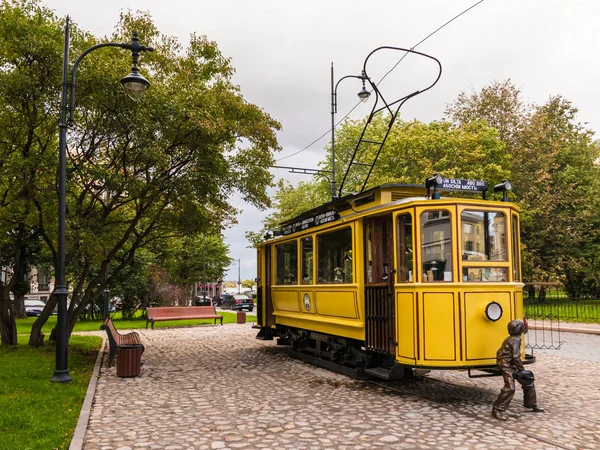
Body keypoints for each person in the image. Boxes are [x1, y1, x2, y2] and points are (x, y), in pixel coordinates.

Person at [492, 319, 544, 421]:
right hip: (506, 365)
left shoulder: (512, 338)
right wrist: (522, 370)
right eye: (522, 326)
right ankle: (497, 409)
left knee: (528, 380)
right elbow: (516, 357)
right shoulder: (515, 339)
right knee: (510, 387)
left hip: (510, 364)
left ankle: (531, 403)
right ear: (519, 329)